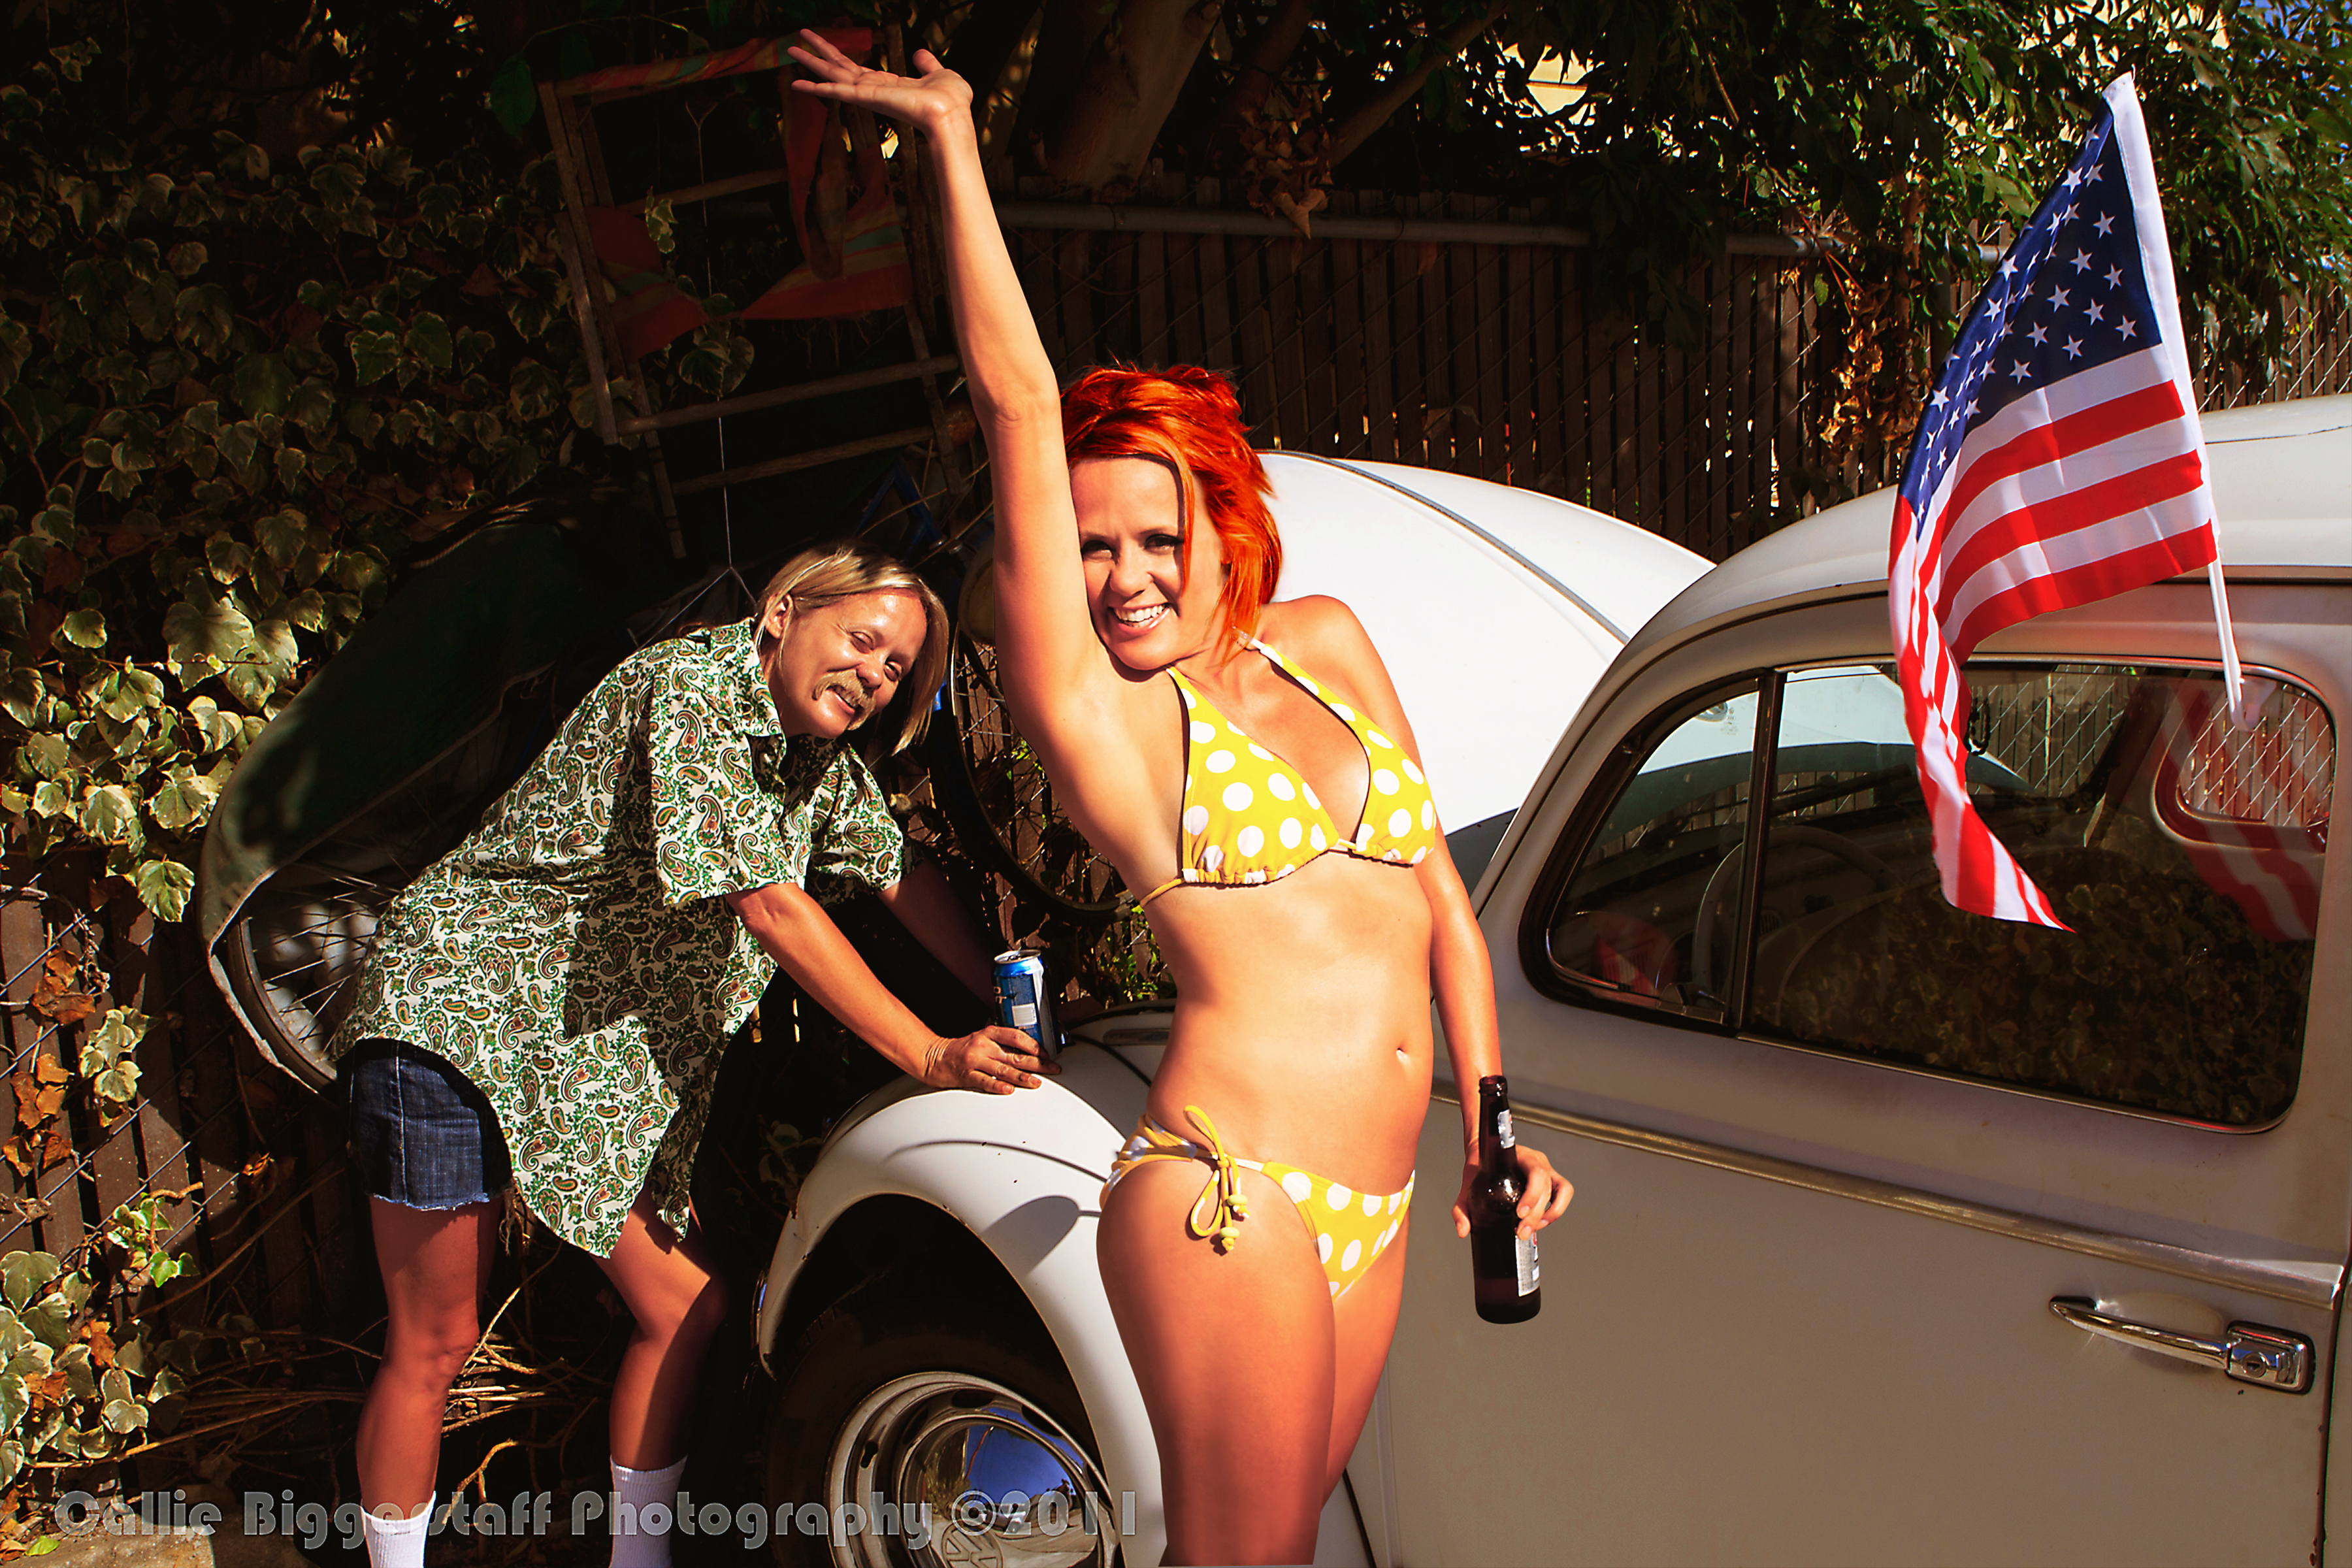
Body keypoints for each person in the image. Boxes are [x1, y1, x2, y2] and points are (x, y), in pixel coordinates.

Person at [789, 38, 1574, 1565]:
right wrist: (953, 141)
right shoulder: (1111, 724)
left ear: (1222, 522)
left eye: (1156, 535)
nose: (1127, 577)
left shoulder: (1331, 643)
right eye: (1089, 549)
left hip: (1381, 1201)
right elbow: (1020, 405)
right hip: (1232, 1194)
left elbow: (1443, 925)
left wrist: (1492, 1134)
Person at [328, 540, 1053, 1568]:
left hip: (576, 1057)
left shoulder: (815, 763)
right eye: (862, 640)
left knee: (687, 1301)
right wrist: (932, 1053)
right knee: (436, 1339)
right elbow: (771, 905)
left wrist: (1010, 1002)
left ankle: (641, 1560)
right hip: (457, 1010)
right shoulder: (694, 690)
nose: (875, 675)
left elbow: (897, 876)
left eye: (897, 670)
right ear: (787, 610)